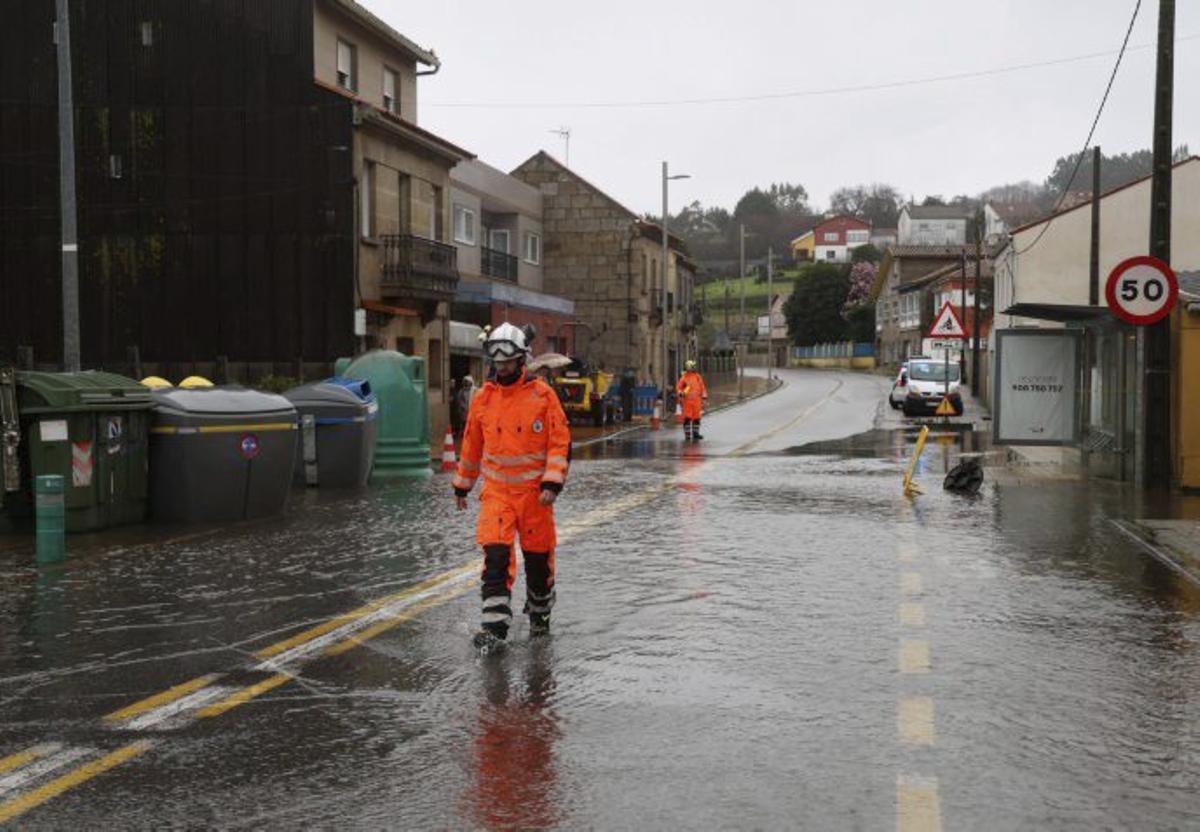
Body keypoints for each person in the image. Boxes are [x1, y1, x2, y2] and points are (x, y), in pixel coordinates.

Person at [454, 323, 571, 651]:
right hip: (497, 496)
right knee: (495, 558)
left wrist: (552, 483)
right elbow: (471, 446)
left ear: (521, 360)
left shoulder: (543, 396)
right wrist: (462, 486)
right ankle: (494, 631)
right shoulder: (483, 400)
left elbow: (559, 442)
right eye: (497, 362)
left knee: (538, 565)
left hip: (536, 498)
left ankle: (540, 618)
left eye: (508, 362)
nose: (502, 368)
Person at [675, 359, 709, 441]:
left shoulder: (697, 376)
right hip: (687, 401)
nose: (694, 368)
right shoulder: (684, 377)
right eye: (693, 366)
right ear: (689, 367)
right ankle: (687, 435)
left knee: (696, 418)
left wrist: (704, 397)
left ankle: (695, 434)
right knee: (687, 418)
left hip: (697, 401)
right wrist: (680, 393)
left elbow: (702, 387)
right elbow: (679, 388)